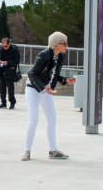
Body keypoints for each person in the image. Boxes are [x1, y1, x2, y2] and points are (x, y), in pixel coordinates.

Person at [21, 31, 75, 161]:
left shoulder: (60, 56)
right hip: (33, 89)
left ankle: (53, 151)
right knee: (33, 121)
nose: (67, 46)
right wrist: (44, 86)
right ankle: (26, 151)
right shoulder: (44, 55)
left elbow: (54, 75)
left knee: (52, 120)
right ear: (56, 44)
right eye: (65, 43)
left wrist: (65, 80)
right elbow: (32, 74)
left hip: (46, 91)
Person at [0, 37, 20, 109]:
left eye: (5, 46)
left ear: (9, 44)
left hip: (10, 72)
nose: (4, 47)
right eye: (3, 46)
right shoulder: (1, 50)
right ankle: (3, 103)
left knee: (10, 89)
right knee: (2, 89)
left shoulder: (14, 50)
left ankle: (12, 103)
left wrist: (8, 63)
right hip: (2, 72)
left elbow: (17, 61)